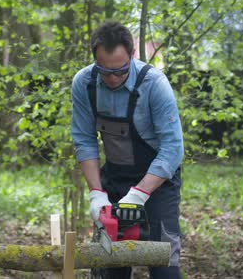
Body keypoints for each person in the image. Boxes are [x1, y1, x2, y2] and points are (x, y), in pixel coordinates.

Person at [71, 21, 184, 278]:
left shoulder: (154, 84)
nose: (112, 78)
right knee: (108, 267)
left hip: (158, 184)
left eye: (120, 71)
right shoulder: (84, 84)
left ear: (132, 56)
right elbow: (84, 140)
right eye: (104, 71)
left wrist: (141, 193)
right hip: (114, 179)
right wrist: (96, 193)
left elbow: (173, 148)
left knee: (165, 266)